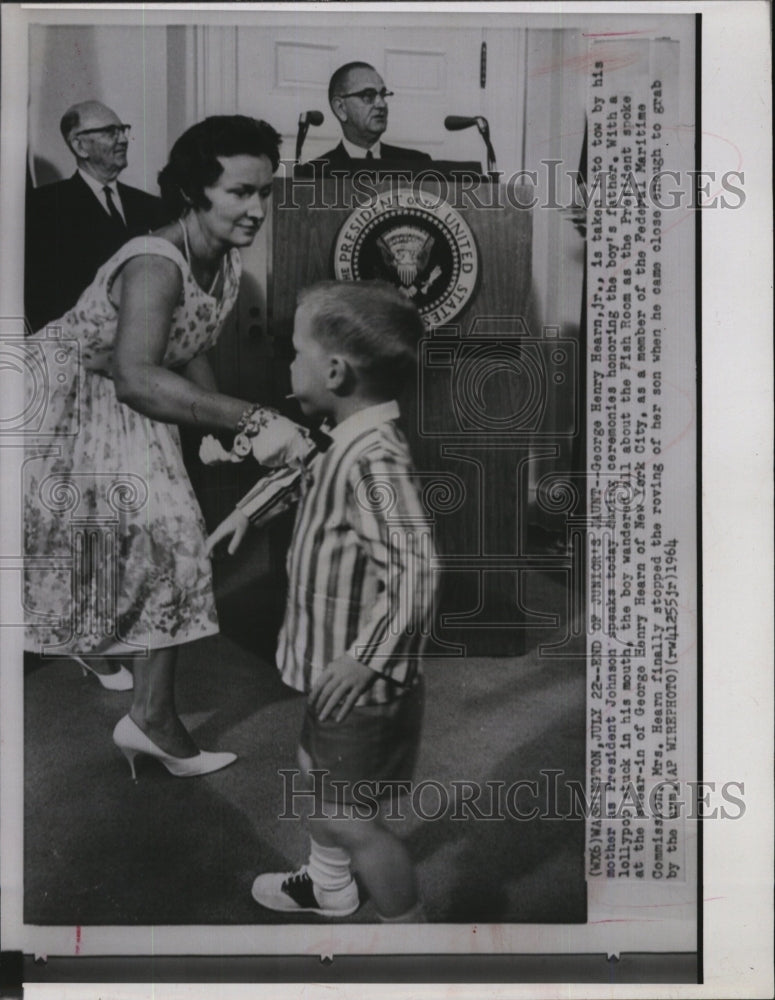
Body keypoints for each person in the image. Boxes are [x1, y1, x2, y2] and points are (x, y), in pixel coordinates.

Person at [24, 115, 310, 777]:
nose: (257, 208)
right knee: (155, 543)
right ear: (194, 192)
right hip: (60, 402)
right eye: (240, 192)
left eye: (265, 192)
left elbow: (189, 344)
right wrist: (249, 417)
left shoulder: (225, 260)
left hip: (118, 400)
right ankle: (148, 715)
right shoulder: (155, 261)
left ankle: (150, 717)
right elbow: (136, 374)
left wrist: (213, 429)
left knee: (170, 543)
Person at [206, 280, 436, 920]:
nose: (288, 364)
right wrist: (249, 511)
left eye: (295, 352)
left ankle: (416, 946)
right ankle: (328, 886)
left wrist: (365, 660)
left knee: (351, 818)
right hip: (326, 668)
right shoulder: (343, 435)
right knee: (315, 775)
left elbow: (416, 574)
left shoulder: (376, 462)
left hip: (356, 683)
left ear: (333, 370)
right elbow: (302, 469)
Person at [25, 101, 168, 332]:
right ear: (80, 146)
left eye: (123, 130)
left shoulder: (151, 206)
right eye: (111, 132)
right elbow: (40, 295)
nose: (122, 139)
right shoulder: (44, 206)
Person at [308, 62, 432, 168]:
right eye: (368, 95)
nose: (382, 104)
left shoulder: (417, 163)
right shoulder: (318, 171)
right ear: (340, 108)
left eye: (383, 95)